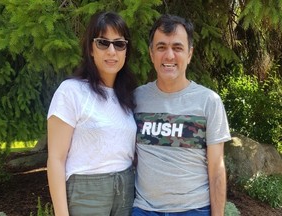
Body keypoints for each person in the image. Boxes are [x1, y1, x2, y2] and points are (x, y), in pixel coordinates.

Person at [132, 14, 231, 216]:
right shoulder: (136, 99)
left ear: (190, 54)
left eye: (177, 48)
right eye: (161, 47)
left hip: (194, 209)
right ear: (151, 54)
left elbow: (216, 168)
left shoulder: (209, 101)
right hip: (144, 210)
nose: (169, 56)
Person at [47, 11, 137, 216]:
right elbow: (55, 159)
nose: (112, 51)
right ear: (90, 49)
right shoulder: (71, 91)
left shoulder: (127, 97)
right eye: (103, 43)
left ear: (126, 50)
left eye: (119, 44)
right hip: (87, 194)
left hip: (126, 191)